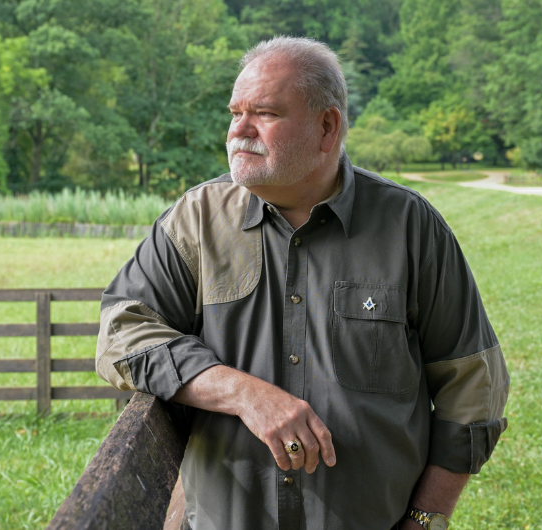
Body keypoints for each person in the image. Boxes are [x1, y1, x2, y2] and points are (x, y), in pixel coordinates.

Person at [96, 36, 509, 530]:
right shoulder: (197, 220)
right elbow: (119, 333)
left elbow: (475, 388)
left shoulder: (410, 227)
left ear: (327, 127)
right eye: (234, 113)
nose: (238, 131)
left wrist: (426, 517)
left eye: (264, 113)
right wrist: (243, 392)